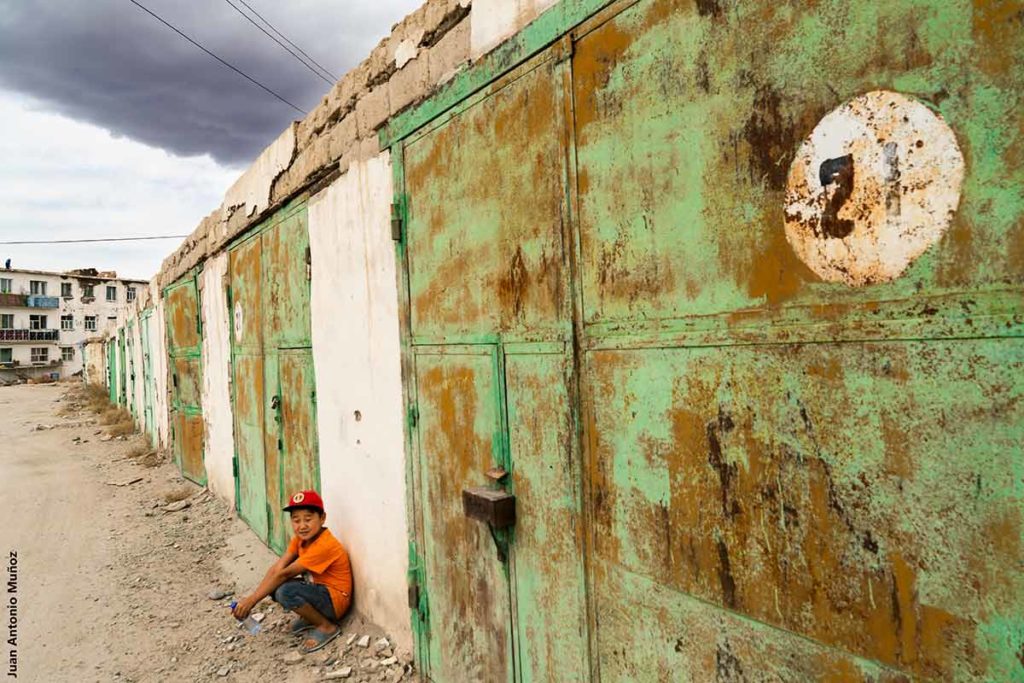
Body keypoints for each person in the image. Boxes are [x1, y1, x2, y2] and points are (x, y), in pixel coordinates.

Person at [232, 489, 352, 653]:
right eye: (296, 520)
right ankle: (310, 618)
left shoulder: (324, 545)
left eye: (308, 519)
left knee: (285, 591)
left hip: (335, 601)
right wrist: (250, 598)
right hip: (319, 590)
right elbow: (277, 568)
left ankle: (326, 626)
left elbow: (285, 574)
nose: (302, 526)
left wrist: (252, 601)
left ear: (322, 518)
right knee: (275, 585)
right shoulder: (300, 540)